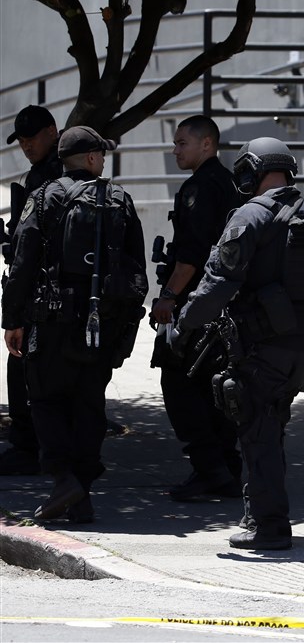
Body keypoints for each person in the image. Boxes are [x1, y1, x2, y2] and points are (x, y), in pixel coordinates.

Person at [173, 136, 304, 550]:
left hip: (258, 348)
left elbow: (216, 285)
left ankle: (270, 527)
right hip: (298, 351)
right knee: (268, 430)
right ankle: (256, 514)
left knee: (257, 435)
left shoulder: (249, 217)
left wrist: (181, 325)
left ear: (250, 172)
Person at [2, 126, 148, 523]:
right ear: (90, 158)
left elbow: (22, 263)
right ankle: (80, 493)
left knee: (47, 402)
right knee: (89, 406)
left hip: (50, 322)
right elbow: (138, 271)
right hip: (100, 326)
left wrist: (12, 320)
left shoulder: (44, 197)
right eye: (100, 154)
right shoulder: (120, 200)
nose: (103, 159)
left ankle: (65, 479)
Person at [150, 116, 244, 501]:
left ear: (207, 144)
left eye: (182, 143)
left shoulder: (199, 188)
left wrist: (168, 297)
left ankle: (209, 468)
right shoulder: (232, 184)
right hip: (225, 303)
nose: (175, 150)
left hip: (195, 303)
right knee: (213, 385)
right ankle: (226, 467)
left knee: (177, 382)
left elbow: (190, 254)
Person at [0, 105, 62, 476]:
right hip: (40, 288)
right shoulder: (41, 173)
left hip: (41, 291)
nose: (26, 146)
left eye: (32, 138)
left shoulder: (56, 177)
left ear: (51, 132)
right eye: (20, 141)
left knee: (24, 366)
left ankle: (29, 446)